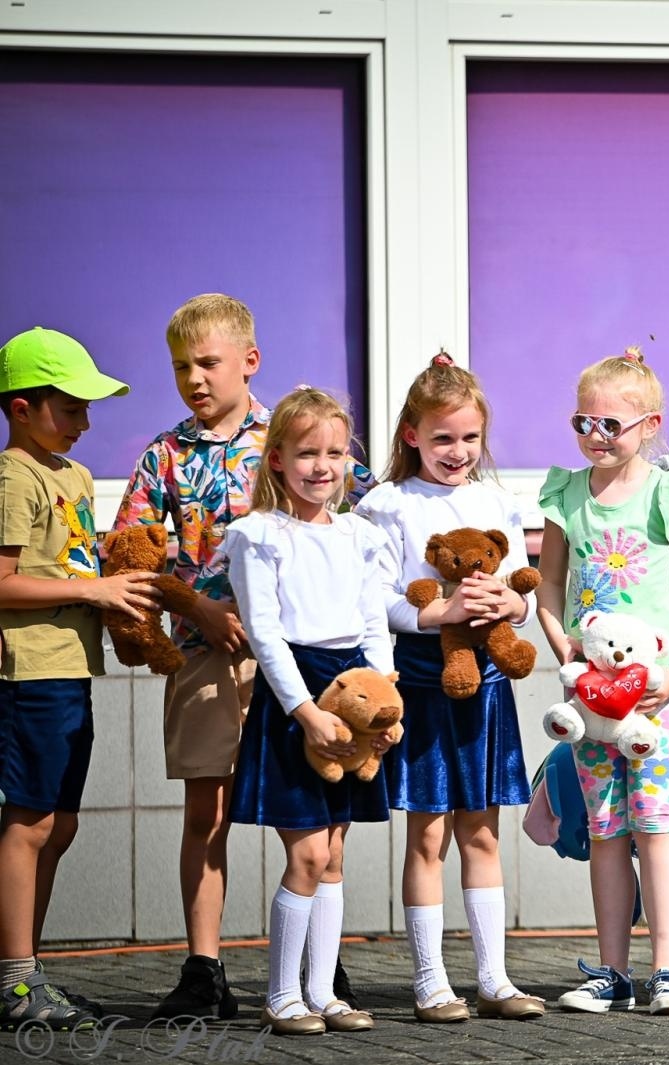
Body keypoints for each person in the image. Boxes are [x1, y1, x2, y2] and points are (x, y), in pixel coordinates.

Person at [114, 293, 372, 1018]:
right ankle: (204, 968)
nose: (194, 378)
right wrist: (195, 604)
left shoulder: (292, 437)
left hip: (305, 659)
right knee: (210, 807)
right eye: (180, 367)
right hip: (210, 654)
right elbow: (130, 552)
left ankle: (323, 965)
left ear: (249, 361)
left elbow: (364, 523)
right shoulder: (165, 455)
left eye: (208, 362)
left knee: (327, 809)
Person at [356, 354, 542, 1022]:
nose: (457, 451)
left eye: (469, 437)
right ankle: (431, 980)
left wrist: (508, 606)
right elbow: (377, 599)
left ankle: (494, 977)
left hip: (488, 679)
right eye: (442, 438)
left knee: (484, 834)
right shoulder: (385, 503)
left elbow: (523, 590)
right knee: (428, 835)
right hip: (424, 678)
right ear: (412, 434)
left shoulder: (495, 501)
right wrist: (442, 614)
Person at [535, 348, 669, 1015]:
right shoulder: (566, 495)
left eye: (611, 423)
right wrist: (563, 647)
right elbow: (549, 583)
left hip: (656, 696)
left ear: (650, 425)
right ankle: (612, 969)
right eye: (584, 422)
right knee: (606, 827)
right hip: (590, 698)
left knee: (656, 824)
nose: (595, 437)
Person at [222, 386, 394, 1036]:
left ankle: (323, 991)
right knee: (307, 854)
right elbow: (265, 633)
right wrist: (304, 710)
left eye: (335, 452)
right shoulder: (260, 535)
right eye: (306, 453)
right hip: (298, 699)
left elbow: (374, 621)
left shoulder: (360, 536)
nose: (322, 466)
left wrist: (381, 696)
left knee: (337, 854)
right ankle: (280, 994)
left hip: (354, 692)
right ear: (277, 461)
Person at [0, 327, 149, 1032]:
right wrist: (93, 593)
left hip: (70, 671)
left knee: (58, 824)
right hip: (30, 674)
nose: (86, 421)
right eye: (71, 406)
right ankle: (16, 980)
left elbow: (82, 567)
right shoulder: (12, 476)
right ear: (22, 407)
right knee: (29, 824)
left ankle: (27, 969)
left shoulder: (75, 477)